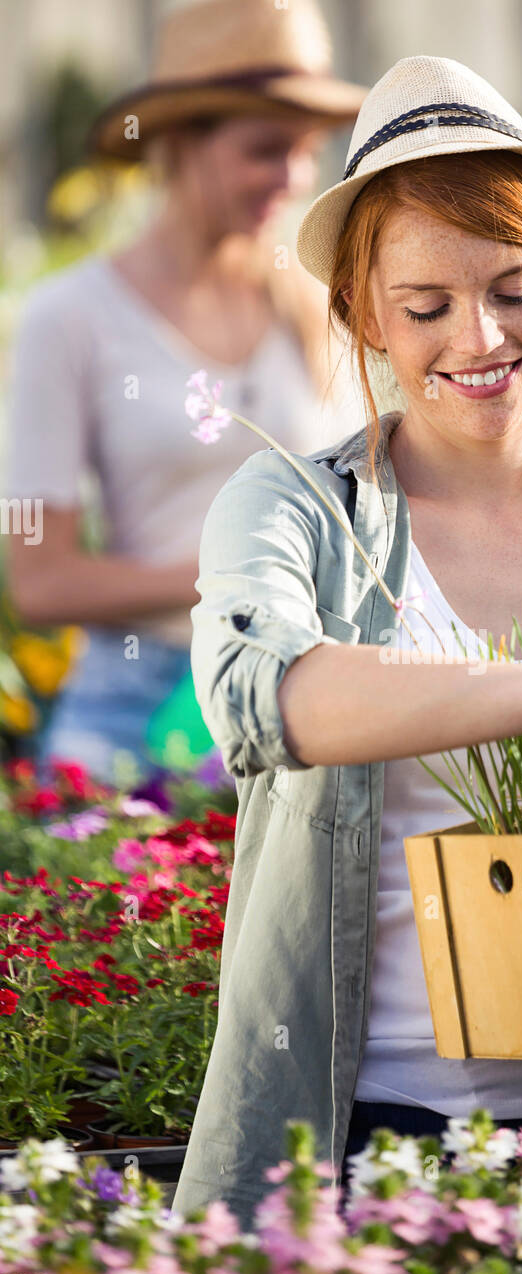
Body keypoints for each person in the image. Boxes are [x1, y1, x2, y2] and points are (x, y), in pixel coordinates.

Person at [171, 55, 522, 1230]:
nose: (475, 337)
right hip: (366, 1151)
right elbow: (260, 693)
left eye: (514, 289)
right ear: (362, 317)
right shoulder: (296, 513)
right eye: (424, 306)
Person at [3, 0, 368, 786]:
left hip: (298, 698)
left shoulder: (314, 301)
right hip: (132, 715)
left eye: (306, 151)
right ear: (176, 143)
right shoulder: (70, 319)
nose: (295, 178)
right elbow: (39, 579)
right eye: (265, 150)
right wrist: (242, 582)